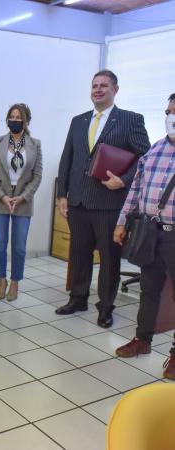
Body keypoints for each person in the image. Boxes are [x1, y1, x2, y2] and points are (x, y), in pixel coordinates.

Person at [56, 70, 150, 328]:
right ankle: (78, 298)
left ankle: (106, 307)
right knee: (79, 254)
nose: (98, 90)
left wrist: (124, 180)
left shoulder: (130, 120)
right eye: (94, 85)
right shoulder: (79, 121)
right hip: (78, 201)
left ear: (115, 90)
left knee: (109, 259)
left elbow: (145, 158)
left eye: (104, 86)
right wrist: (62, 194)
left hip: (109, 203)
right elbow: (67, 158)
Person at [113, 93, 175, 380]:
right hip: (151, 232)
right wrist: (122, 222)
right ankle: (143, 339)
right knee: (149, 289)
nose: (170, 117)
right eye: (168, 112)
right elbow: (135, 190)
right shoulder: (154, 150)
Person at [0, 103, 42, 301]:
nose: (15, 120)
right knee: (0, 244)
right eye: (12, 117)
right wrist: (2, 196)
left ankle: (15, 282)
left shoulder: (35, 144)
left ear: (26, 121)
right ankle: (2, 281)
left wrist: (23, 196)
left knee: (19, 246)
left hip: (23, 201)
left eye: (19, 117)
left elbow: (37, 175)